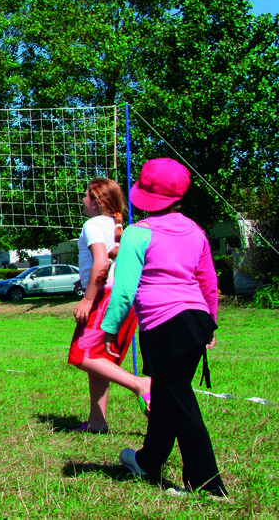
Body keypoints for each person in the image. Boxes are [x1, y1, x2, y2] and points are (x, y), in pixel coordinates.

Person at [102, 159, 227, 498]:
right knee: (168, 393)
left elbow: (125, 289)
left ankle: (208, 486)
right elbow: (208, 282)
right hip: (195, 320)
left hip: (164, 325)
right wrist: (210, 325)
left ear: (143, 194)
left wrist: (111, 329)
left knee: (179, 400)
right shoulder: (196, 231)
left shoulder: (137, 233)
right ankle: (147, 460)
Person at [68, 178, 150, 433]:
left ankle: (140, 384)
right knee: (100, 360)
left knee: (81, 356)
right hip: (126, 297)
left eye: (85, 196)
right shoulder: (119, 228)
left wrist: (88, 298)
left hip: (104, 296)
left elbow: (101, 261)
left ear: (96, 202)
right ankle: (97, 421)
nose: (82, 200)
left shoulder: (93, 224)